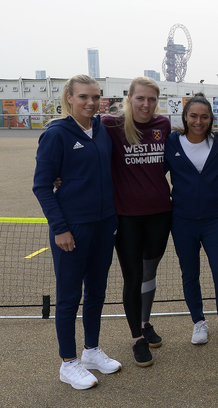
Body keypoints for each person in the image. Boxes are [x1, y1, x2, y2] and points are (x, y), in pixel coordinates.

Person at [32, 74, 121, 390]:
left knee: (97, 291)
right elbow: (42, 185)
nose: (91, 103)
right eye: (84, 97)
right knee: (69, 297)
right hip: (72, 229)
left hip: (104, 224)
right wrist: (59, 228)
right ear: (69, 97)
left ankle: (91, 351)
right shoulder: (56, 134)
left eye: (95, 97)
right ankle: (68, 363)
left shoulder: (102, 130)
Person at [101, 77, 172, 367]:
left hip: (160, 213)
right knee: (132, 278)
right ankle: (136, 339)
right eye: (140, 98)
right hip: (126, 217)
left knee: (150, 271)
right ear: (129, 98)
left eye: (152, 99)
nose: (146, 104)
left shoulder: (163, 125)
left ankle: (145, 322)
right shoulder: (110, 124)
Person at [164, 94, 218, 354]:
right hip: (182, 220)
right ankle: (199, 322)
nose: (199, 121)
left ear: (211, 119)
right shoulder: (172, 141)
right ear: (185, 117)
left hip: (216, 219)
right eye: (193, 116)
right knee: (190, 274)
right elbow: (149, 172)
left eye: (204, 116)